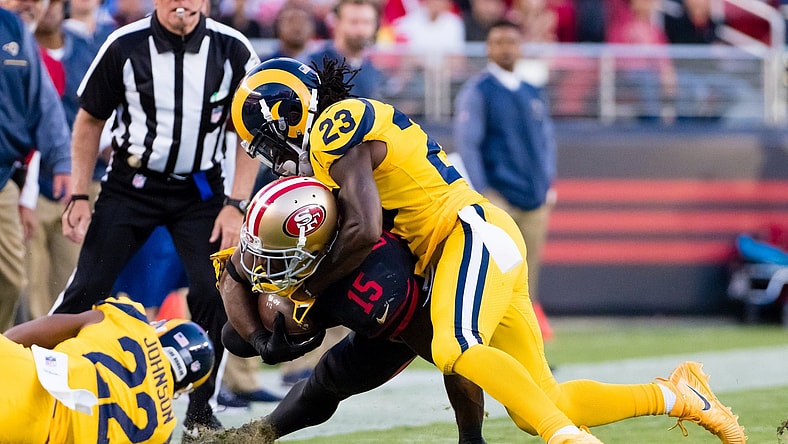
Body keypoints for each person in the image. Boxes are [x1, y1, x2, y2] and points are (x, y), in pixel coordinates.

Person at [229, 56, 748, 444]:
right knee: (541, 401)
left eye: (264, 139)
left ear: (284, 114)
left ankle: (567, 440)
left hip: (466, 230)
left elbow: (363, 230)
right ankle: (680, 395)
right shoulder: (327, 145)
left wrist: (307, 290)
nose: (270, 154)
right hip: (478, 242)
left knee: (455, 347)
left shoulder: (331, 130)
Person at [52, 0, 260, 435]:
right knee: (88, 285)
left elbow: (249, 131)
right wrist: (78, 193)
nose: (180, 5)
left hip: (201, 191)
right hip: (132, 185)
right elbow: (89, 119)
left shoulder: (232, 50)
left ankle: (201, 413)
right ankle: (42, 380)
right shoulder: (124, 45)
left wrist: (236, 204)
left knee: (213, 289)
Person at [213, 175, 487, 443]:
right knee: (236, 336)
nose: (262, 266)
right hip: (332, 274)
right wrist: (259, 340)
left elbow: (455, 358)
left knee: (329, 380)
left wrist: (471, 435)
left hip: (404, 308)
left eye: (277, 257)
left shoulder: (370, 285)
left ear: (314, 247)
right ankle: (255, 436)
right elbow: (234, 278)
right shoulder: (299, 211)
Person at [454, 19, 555, 340]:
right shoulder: (479, 91)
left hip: (534, 197)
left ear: (520, 46)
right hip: (500, 197)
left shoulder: (531, 92)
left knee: (529, 279)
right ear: (488, 48)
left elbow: (546, 142)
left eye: (511, 41)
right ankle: (490, 343)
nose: (505, 48)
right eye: (498, 42)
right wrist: (484, 193)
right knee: (498, 274)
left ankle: (527, 350)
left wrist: (547, 182)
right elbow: (468, 143)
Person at [0, 296, 215, 443]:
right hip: (36, 433)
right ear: (184, 387)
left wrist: (7, 348)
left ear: (160, 329)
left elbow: (50, 328)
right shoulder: (162, 430)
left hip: (24, 369)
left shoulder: (132, 318)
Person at [0, 5, 71, 331]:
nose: (31, 2)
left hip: (3, 176)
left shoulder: (13, 29)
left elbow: (43, 99)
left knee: (12, 278)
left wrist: (61, 160)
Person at [305, 0, 384, 100]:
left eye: (367, 22)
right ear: (336, 23)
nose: (361, 30)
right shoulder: (314, 64)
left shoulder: (373, 70)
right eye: (354, 22)